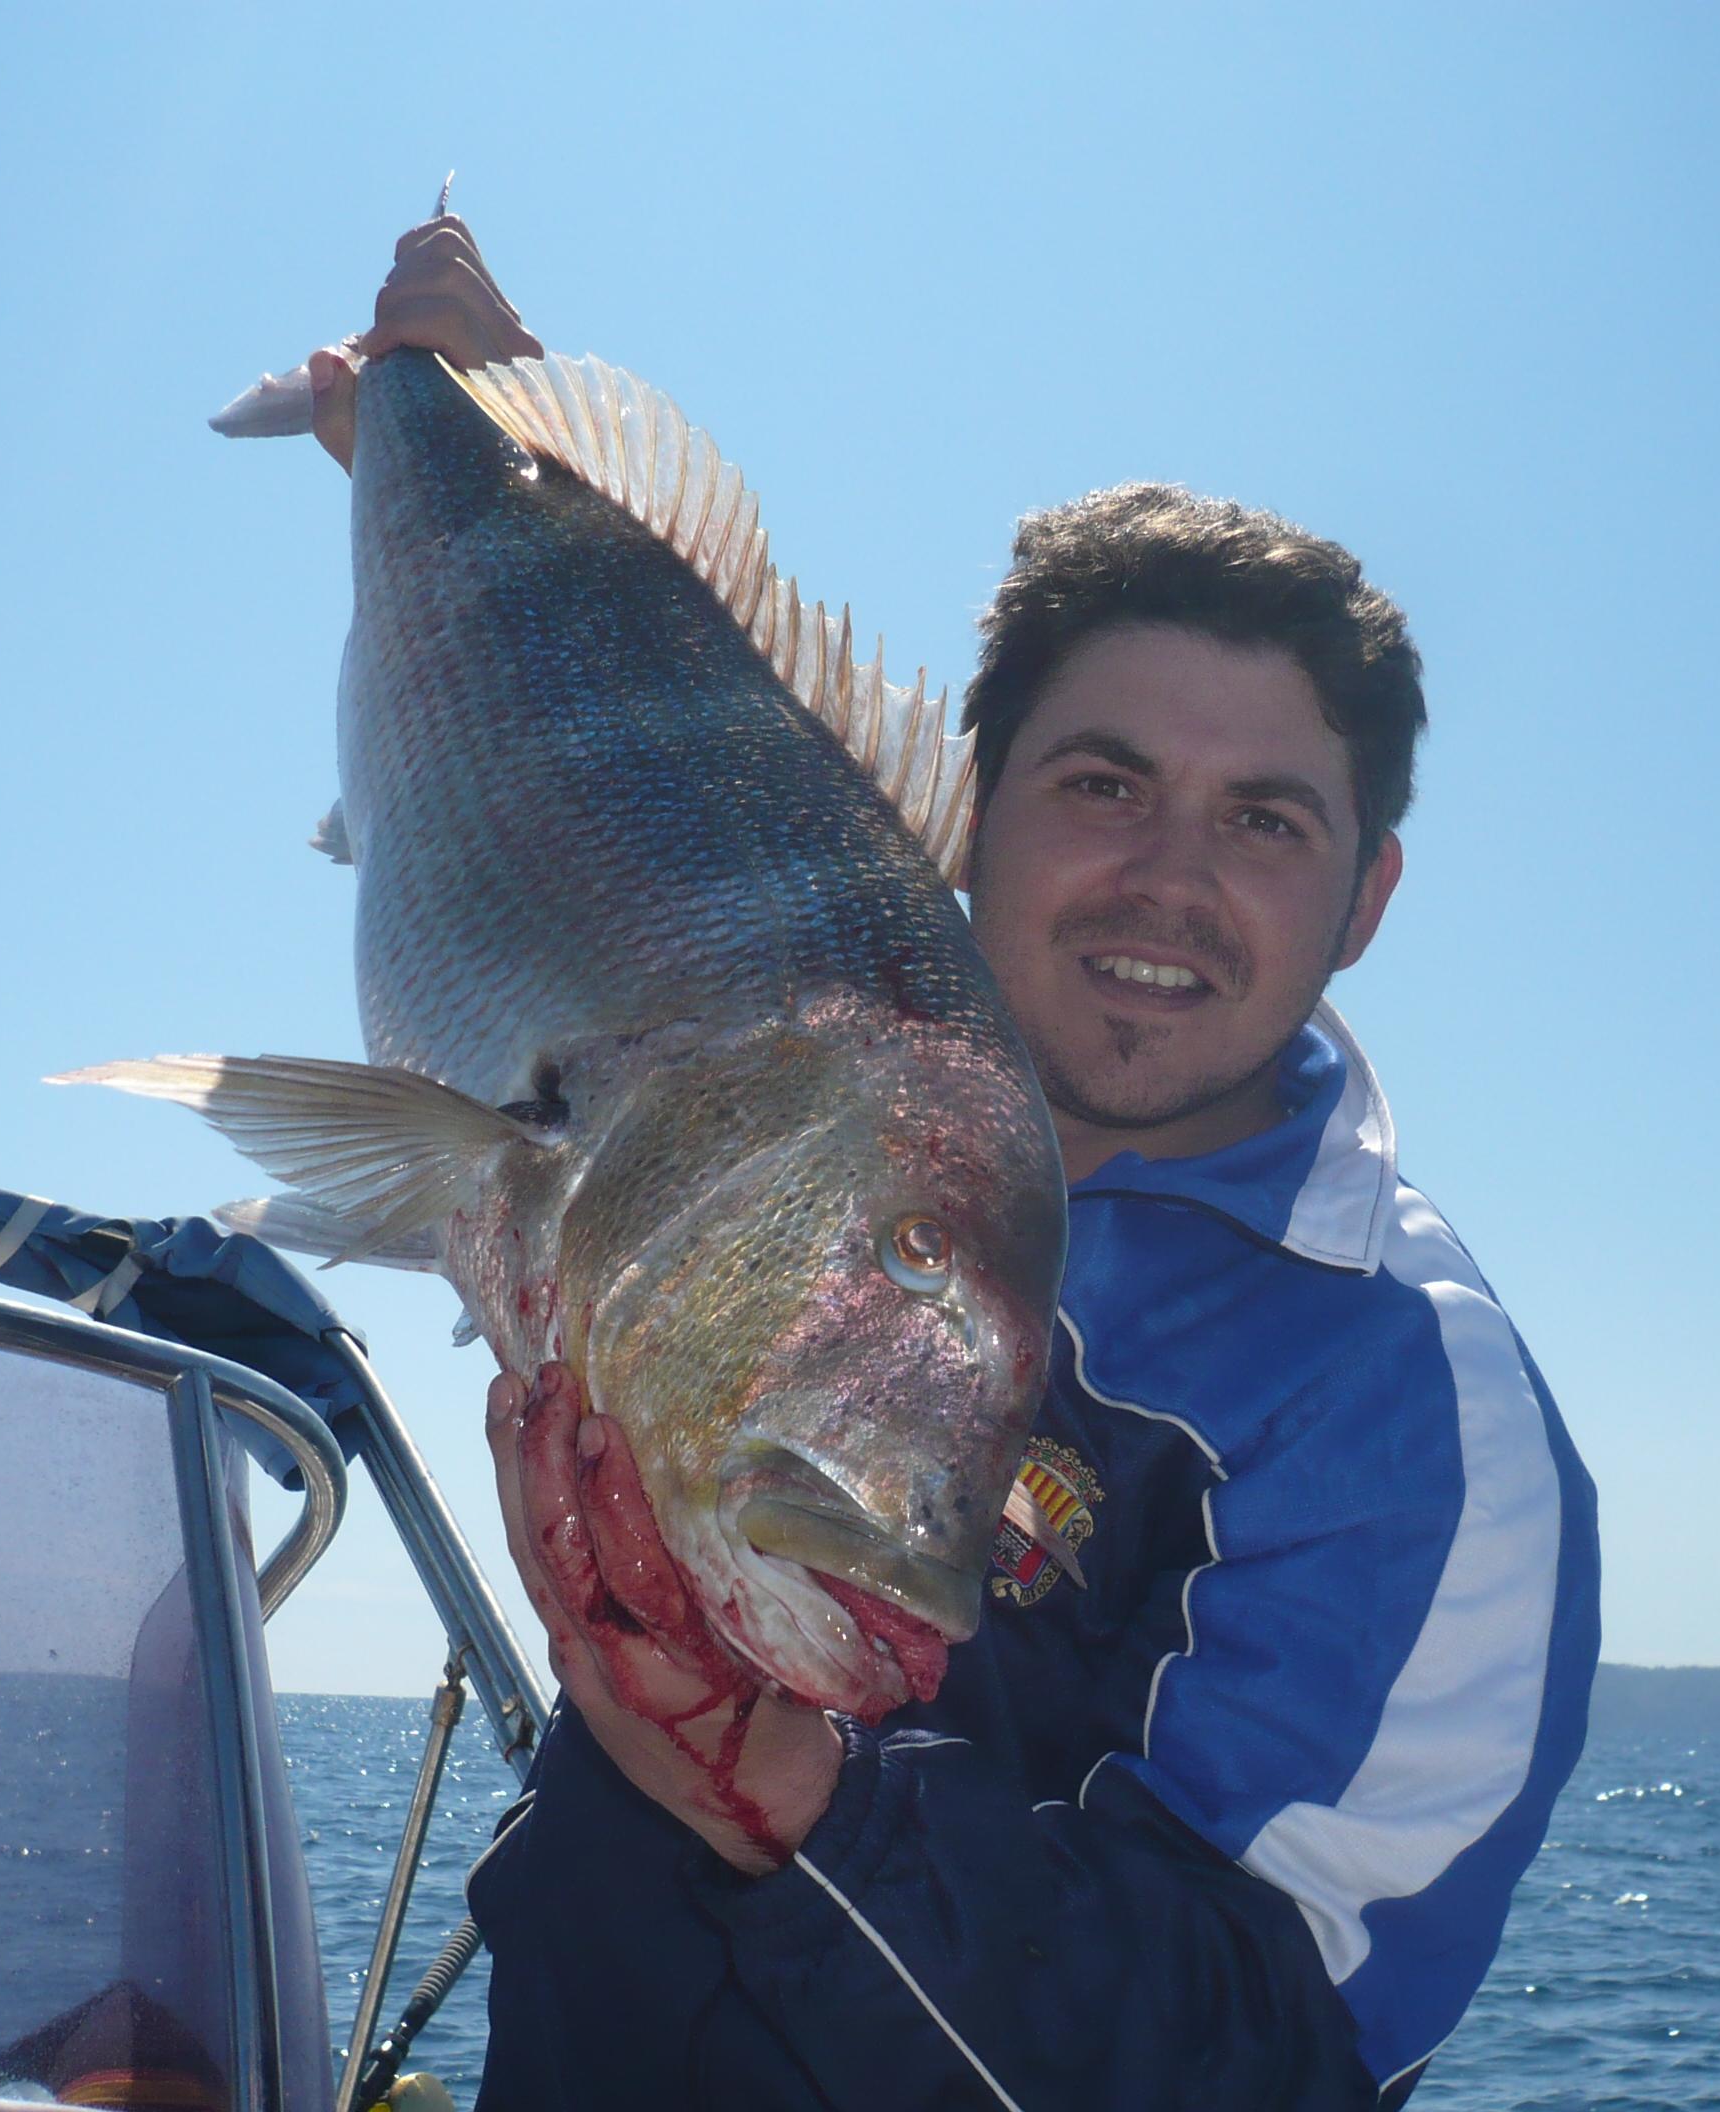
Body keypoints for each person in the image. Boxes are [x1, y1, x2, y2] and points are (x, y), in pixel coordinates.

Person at [318, 219, 1600, 2111]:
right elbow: (600, 793)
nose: (1170, 879)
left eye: (1265, 819)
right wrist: (470, 428)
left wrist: (804, 1809)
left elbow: (1273, 2044)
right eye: (1103, 784)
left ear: (1367, 897)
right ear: (972, 813)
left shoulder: (1415, 1401)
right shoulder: (804, 1007)